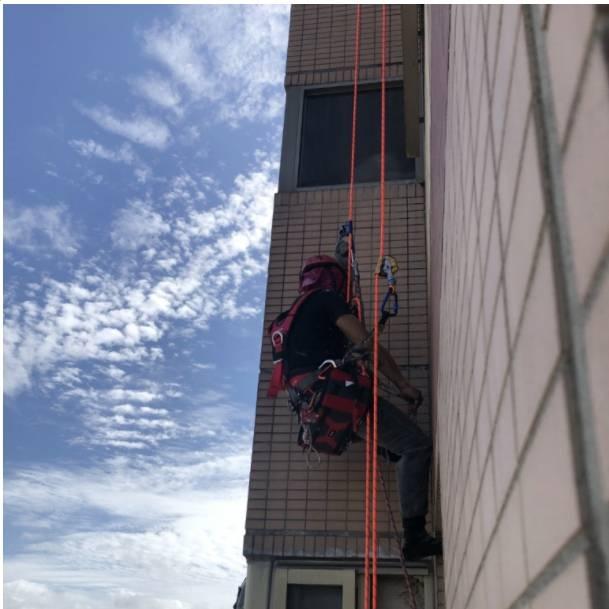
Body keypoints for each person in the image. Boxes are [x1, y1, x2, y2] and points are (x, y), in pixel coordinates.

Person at [285, 254, 442, 560]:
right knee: (415, 447)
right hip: (339, 398)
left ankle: (397, 461)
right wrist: (402, 385)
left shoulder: (290, 318)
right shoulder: (327, 300)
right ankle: (415, 538)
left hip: (316, 411)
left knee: (396, 448)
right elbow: (367, 344)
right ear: (334, 280)